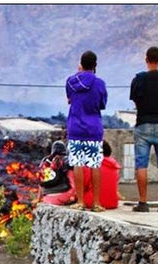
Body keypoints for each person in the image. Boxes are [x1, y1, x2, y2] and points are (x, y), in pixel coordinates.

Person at [129, 46, 158, 213]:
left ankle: (143, 202)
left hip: (143, 124)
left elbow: (135, 101)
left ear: (146, 60)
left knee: (141, 165)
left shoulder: (138, 80)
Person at [65, 50, 108, 212]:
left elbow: (69, 100)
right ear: (95, 65)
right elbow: (102, 104)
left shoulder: (71, 82)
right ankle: (96, 203)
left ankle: (81, 201)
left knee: (77, 164)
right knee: (94, 164)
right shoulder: (100, 83)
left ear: (81, 64)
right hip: (93, 128)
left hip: (75, 127)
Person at [81, 140, 121, 209]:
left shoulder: (89, 166)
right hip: (112, 203)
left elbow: (82, 186)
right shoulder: (114, 167)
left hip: (91, 202)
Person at [39, 141, 76, 206]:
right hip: (63, 196)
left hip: (47, 198)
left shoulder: (45, 162)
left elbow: (41, 183)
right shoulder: (67, 161)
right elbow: (73, 184)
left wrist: (39, 199)